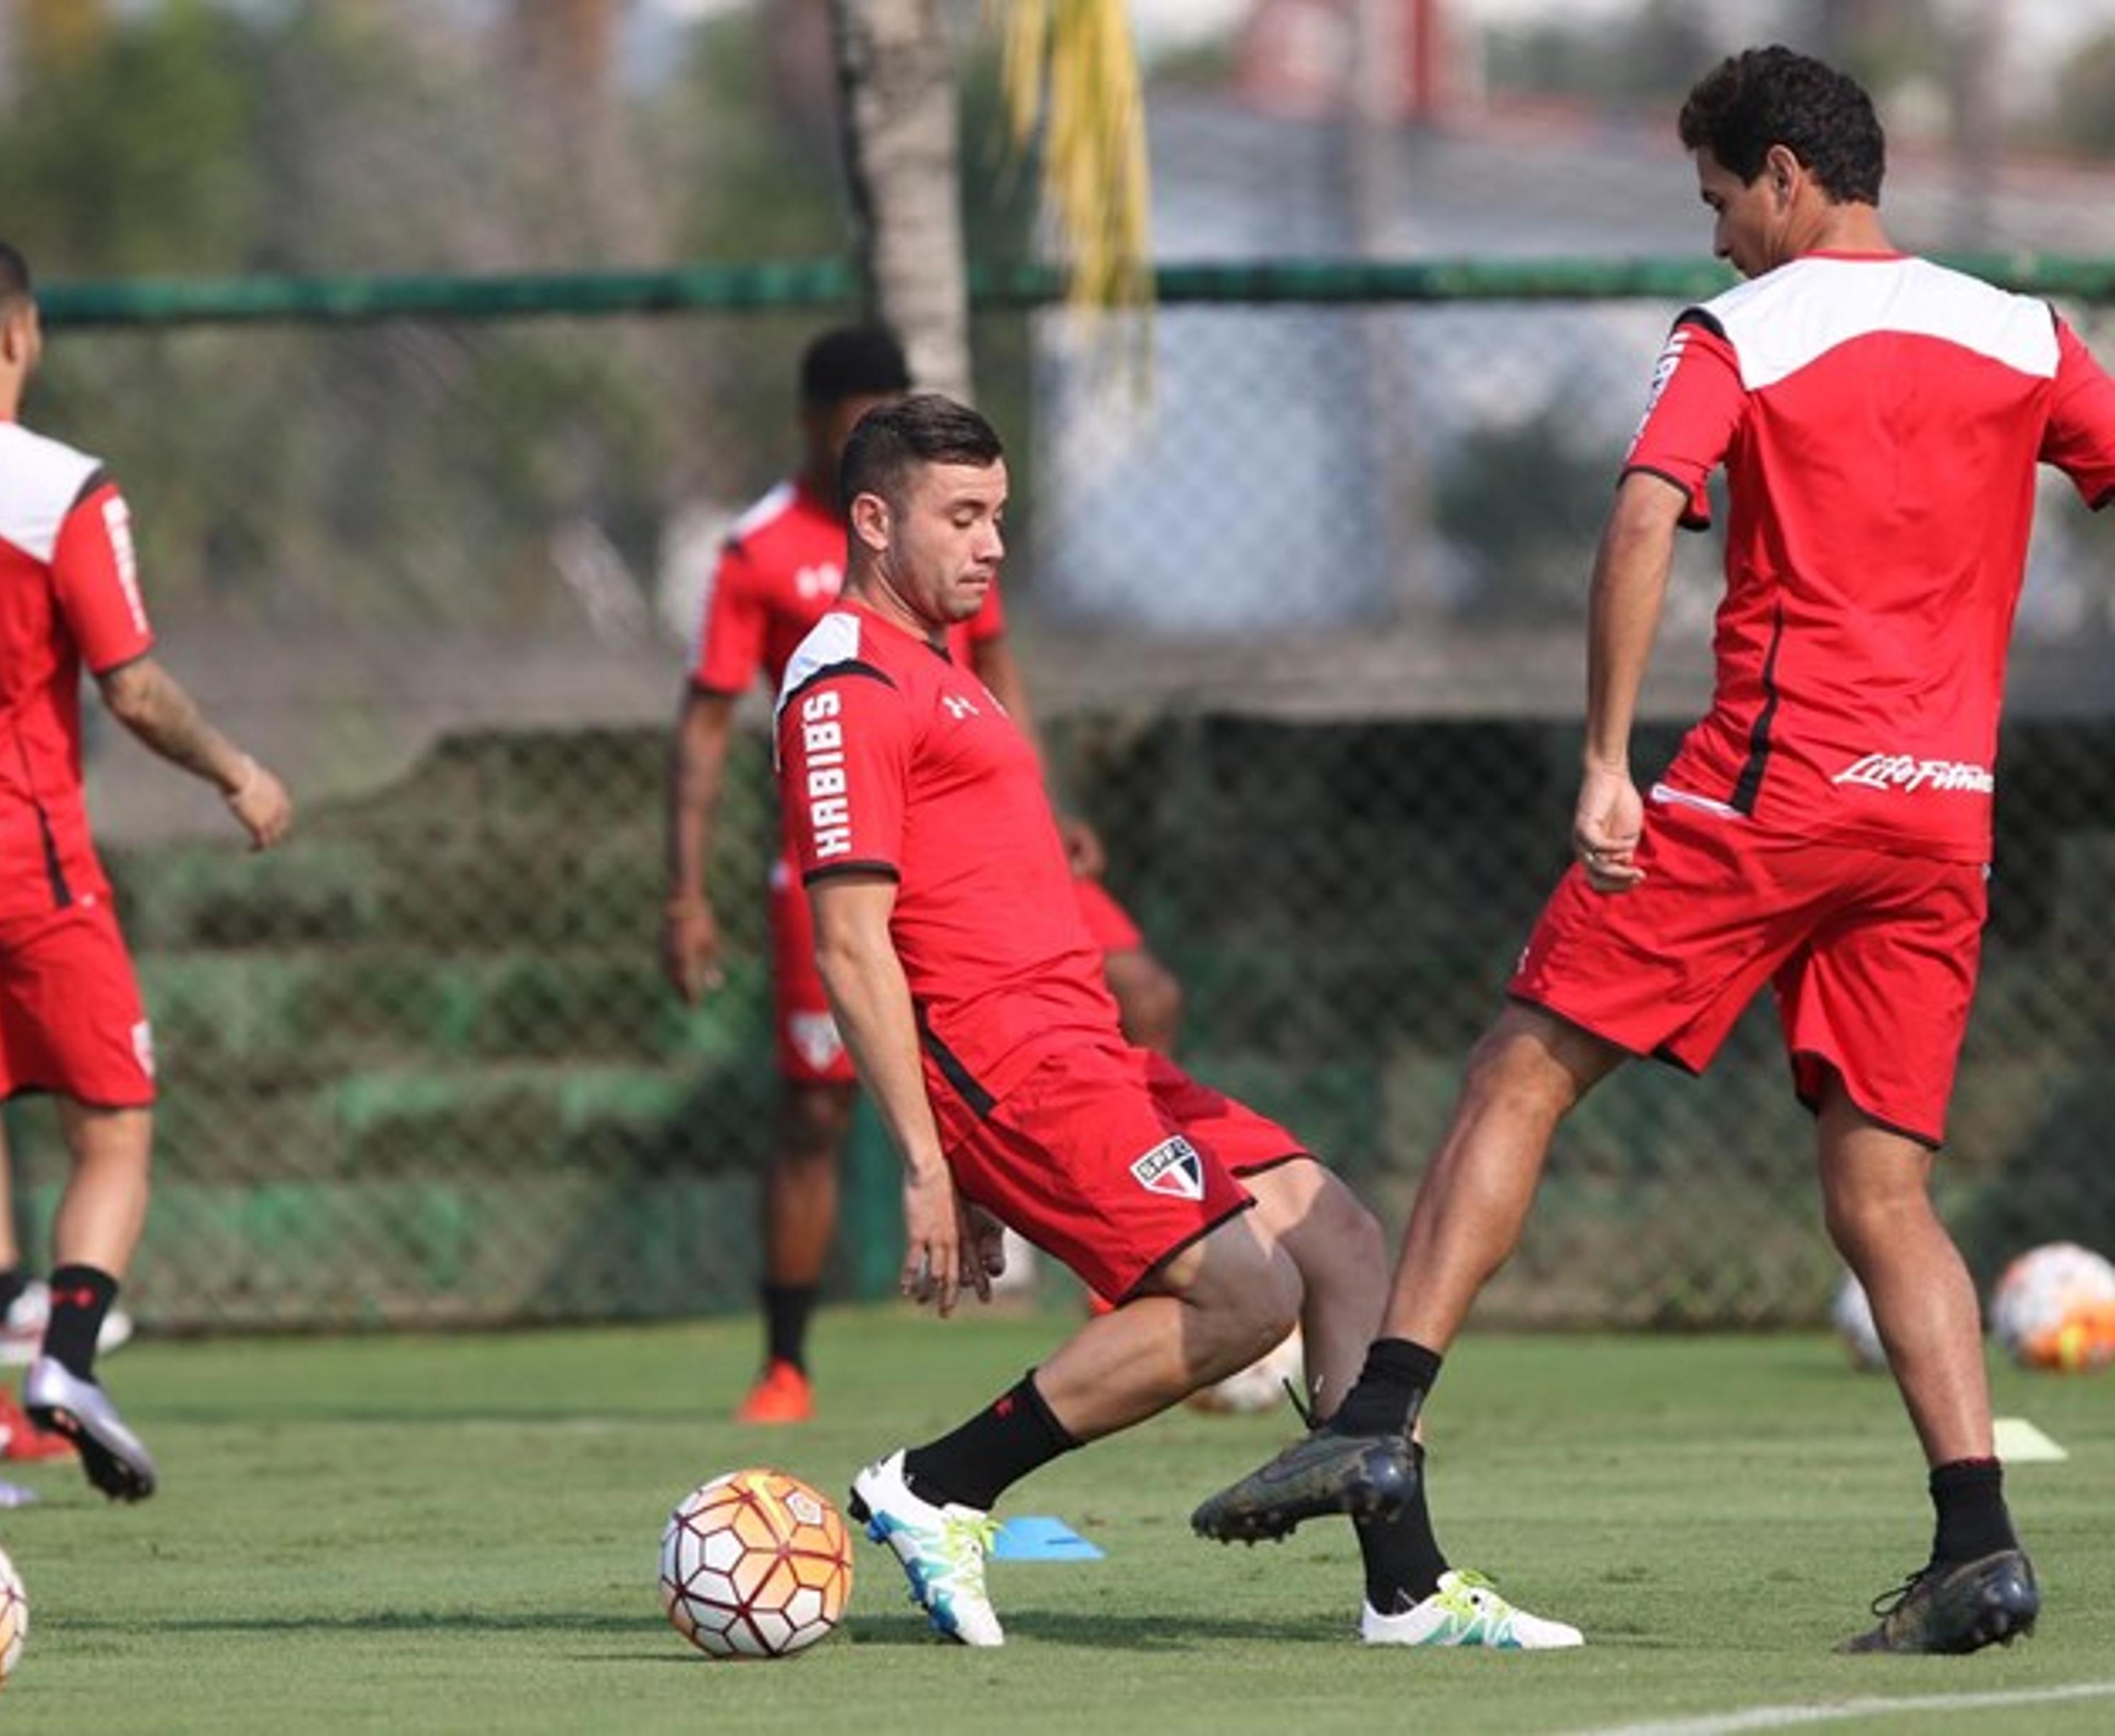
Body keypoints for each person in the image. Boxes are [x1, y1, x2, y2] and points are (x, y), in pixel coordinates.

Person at [1196, 46, 2115, 1657]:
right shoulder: (2024, 330)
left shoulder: (1743, 334)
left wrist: (1610, 757)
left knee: (1520, 1071)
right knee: (1885, 1191)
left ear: (1782, 171)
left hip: (1768, 792)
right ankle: (1979, 1541)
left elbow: (1640, 515)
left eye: (1716, 200)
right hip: (1940, 813)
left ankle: (1381, 1411)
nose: (1713, 240)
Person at [775, 393, 1578, 1648]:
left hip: (1090, 1051)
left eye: (1002, 516)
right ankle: (937, 1488)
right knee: (1243, 1299)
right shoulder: (844, 682)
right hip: (1012, 1063)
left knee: (1341, 1234)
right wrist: (934, 1162)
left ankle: (1405, 1590)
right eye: (964, 517)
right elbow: (849, 940)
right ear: (873, 521)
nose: (993, 545)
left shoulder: (949, 671)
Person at [666, 326, 1176, 1423]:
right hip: (845, 857)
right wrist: (686, 887)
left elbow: (989, 671)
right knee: (812, 1114)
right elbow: (707, 722)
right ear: (818, 430)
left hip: (971, 850)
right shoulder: (765, 558)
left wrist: (1042, 811)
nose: (987, 540)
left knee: (1140, 994)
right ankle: (786, 1360)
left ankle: (1124, 1264)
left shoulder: (947, 539)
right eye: (853, 407)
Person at [0, 232, 293, 1503]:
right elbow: (128, 684)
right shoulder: (63, 487)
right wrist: (233, 768)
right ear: (20, 335)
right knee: (113, 1124)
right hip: (27, 860)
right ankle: (65, 1358)